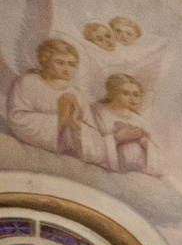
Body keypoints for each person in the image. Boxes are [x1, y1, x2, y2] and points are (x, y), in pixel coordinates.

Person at [7, 36, 109, 165]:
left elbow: (91, 127)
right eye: (60, 63)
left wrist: (74, 125)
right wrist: (61, 121)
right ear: (46, 62)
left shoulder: (77, 94)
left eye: (71, 64)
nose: (66, 68)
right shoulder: (28, 82)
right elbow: (16, 117)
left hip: (73, 136)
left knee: (96, 145)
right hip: (39, 131)